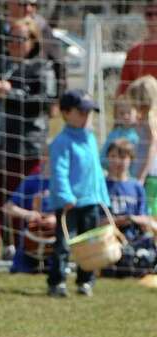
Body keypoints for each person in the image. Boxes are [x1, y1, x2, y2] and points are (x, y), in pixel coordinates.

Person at [0, 15, 56, 260]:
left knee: (25, 206)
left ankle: (26, 253)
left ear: (32, 41)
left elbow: (43, 103)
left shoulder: (42, 68)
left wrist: (12, 94)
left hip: (26, 149)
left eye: (20, 39)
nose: (15, 44)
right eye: (10, 39)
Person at [46, 90, 110, 298]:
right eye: (81, 112)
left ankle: (85, 281)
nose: (86, 117)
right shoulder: (62, 142)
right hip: (70, 204)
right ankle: (57, 281)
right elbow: (59, 172)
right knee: (64, 244)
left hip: (91, 201)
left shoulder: (90, 138)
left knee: (90, 245)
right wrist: (65, 197)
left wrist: (102, 195)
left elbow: (96, 171)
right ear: (65, 113)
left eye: (89, 112)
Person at [103, 138, 156, 276]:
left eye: (123, 157)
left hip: (133, 237)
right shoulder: (102, 186)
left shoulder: (136, 187)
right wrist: (118, 220)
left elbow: (145, 219)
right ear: (107, 157)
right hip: (109, 238)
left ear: (131, 159)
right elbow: (96, 221)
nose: (118, 161)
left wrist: (132, 218)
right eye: (114, 156)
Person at [3, 162, 54, 274]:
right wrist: (28, 214)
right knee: (22, 269)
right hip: (30, 241)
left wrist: (56, 218)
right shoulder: (31, 181)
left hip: (56, 240)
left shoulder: (66, 183)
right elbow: (8, 207)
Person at [126, 75, 157, 216]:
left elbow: (152, 147)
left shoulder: (150, 122)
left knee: (148, 207)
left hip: (149, 172)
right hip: (142, 169)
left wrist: (142, 174)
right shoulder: (145, 118)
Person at [117, 1, 157, 96]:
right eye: (149, 14)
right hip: (142, 106)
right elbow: (124, 87)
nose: (153, 18)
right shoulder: (135, 50)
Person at [101, 95, 141, 172]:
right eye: (122, 113)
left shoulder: (139, 136)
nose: (126, 116)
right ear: (116, 115)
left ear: (137, 114)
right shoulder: (113, 134)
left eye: (129, 113)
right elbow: (103, 156)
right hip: (113, 174)